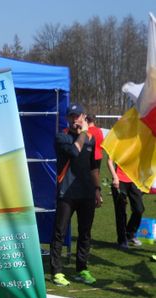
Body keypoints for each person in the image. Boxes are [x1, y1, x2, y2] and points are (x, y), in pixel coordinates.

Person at [50, 104, 102, 287]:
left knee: (85, 233)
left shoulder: (90, 140)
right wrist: (84, 132)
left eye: (77, 116)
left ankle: (82, 269)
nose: (74, 119)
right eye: (71, 116)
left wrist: (97, 189)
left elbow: (94, 167)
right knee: (60, 232)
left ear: (83, 117)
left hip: (87, 193)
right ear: (67, 119)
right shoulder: (61, 137)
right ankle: (56, 272)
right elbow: (74, 151)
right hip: (67, 193)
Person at [107, 159, 144, 249]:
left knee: (139, 209)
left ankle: (130, 234)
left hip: (135, 180)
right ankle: (122, 240)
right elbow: (109, 161)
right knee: (120, 212)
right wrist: (115, 177)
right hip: (119, 180)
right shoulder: (116, 147)